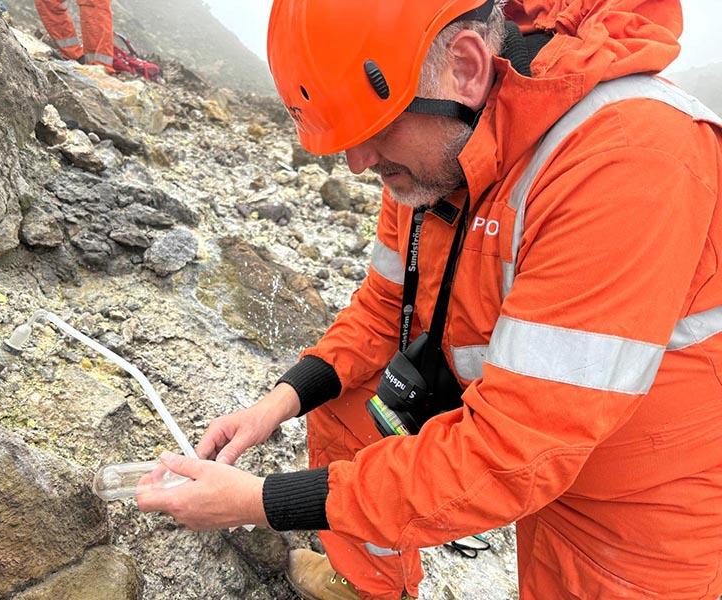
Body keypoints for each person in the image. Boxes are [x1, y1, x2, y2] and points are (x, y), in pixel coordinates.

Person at [138, 0, 722, 598]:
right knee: (348, 398)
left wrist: (265, 501)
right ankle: (363, 582)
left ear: (466, 69)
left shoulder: (628, 158)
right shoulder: (437, 147)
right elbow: (383, 310)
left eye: (371, 129)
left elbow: (510, 451)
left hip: (639, 489)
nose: (356, 161)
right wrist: (277, 402)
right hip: (527, 417)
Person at [34, 0, 114, 73]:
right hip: (73, 56)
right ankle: (74, 55)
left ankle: (100, 68)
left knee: (93, 3)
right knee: (48, 2)